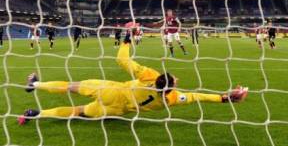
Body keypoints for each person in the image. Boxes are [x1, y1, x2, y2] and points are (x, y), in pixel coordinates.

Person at [17, 37, 248, 124]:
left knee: (71, 86)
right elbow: (199, 96)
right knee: (77, 111)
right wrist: (227, 98)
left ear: (160, 79)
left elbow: (122, 60)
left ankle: (34, 84)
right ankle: (35, 114)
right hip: (117, 110)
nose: (176, 79)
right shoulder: (171, 99)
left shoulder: (148, 75)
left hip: (111, 91)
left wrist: (127, 41)